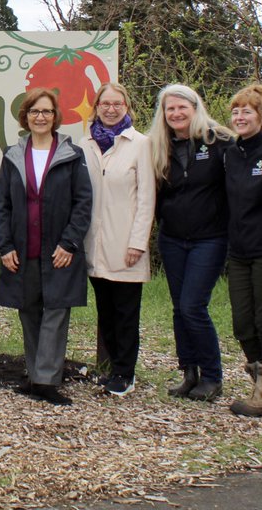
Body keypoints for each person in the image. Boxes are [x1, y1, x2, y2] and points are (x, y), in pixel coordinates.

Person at [0, 87, 93, 406]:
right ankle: (35, 376)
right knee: (29, 311)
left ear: (55, 117)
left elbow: (83, 202)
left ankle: (47, 381)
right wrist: (4, 245)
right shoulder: (12, 155)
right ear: (26, 116)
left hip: (59, 250)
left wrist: (70, 243)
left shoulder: (71, 154)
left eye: (47, 111)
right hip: (22, 250)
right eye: (35, 111)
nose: (41, 117)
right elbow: (2, 205)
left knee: (56, 313)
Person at [149, 84, 234, 402]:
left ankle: (212, 376)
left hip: (209, 238)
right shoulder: (159, 146)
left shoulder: (219, 141)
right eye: (170, 109)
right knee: (179, 308)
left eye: (182, 107)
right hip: (172, 238)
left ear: (195, 108)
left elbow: (250, 157)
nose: (176, 113)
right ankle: (189, 372)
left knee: (193, 306)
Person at [81, 82, 155, 397]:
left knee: (126, 313)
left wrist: (138, 242)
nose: (111, 109)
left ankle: (126, 373)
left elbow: (147, 199)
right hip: (94, 243)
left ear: (126, 107)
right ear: (97, 107)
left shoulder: (140, 144)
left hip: (126, 244)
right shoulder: (85, 144)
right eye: (105, 104)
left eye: (117, 104)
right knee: (106, 311)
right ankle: (112, 368)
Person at [223, 84, 262, 417]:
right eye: (235, 112)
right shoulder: (230, 154)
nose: (240, 117)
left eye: (246, 111)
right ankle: (258, 378)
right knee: (242, 323)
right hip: (238, 250)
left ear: (261, 116)